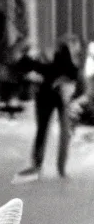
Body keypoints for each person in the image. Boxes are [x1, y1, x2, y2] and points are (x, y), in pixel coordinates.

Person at [13, 37, 83, 183]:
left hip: (47, 96)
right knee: (59, 131)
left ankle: (40, 165)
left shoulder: (53, 59)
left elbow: (30, 66)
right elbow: (72, 73)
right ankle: (57, 167)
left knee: (44, 130)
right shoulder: (62, 60)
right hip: (53, 96)